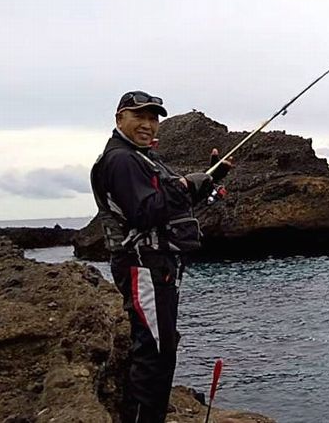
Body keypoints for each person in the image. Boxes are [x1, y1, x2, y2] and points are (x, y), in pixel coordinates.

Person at [90, 91, 231, 422]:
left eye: (153, 118)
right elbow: (144, 213)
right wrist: (185, 186)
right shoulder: (121, 160)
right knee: (154, 352)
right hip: (142, 266)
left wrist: (208, 179)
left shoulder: (142, 158)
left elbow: (166, 207)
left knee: (161, 346)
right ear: (119, 118)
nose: (148, 124)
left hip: (158, 268)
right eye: (139, 116)